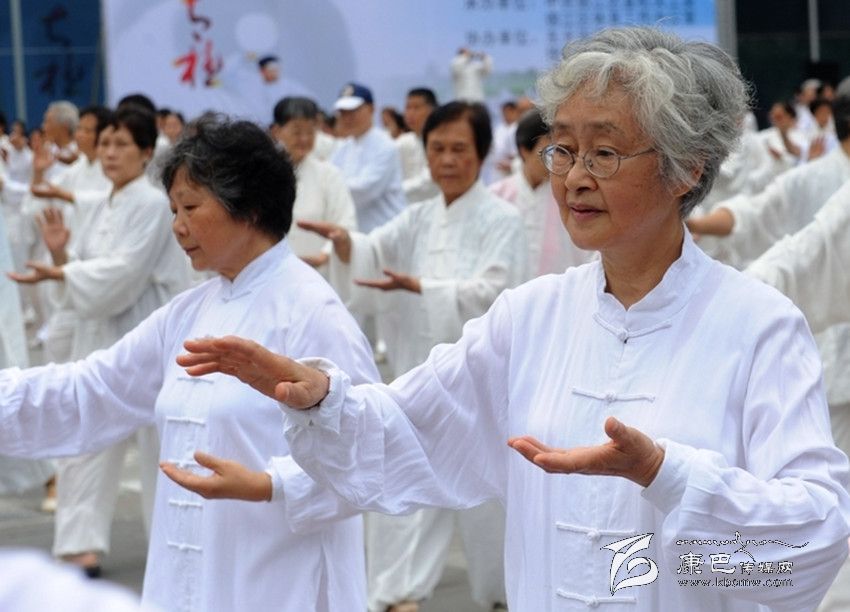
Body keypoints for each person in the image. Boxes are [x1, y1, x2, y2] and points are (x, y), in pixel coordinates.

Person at [172, 27, 850, 611]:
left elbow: (809, 551)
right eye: (563, 149)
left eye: (604, 152)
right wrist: (322, 398)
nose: (575, 176)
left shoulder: (757, 325)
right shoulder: (531, 318)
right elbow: (408, 435)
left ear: (685, 170)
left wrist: (667, 478)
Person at [0, 115, 378, 611]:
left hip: (279, 578)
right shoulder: (190, 311)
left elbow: (369, 453)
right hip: (187, 575)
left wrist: (270, 485)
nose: (177, 225)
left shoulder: (313, 312)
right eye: (174, 209)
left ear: (250, 207)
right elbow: (91, 391)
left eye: (191, 207)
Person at [298, 100, 523, 612]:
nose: (447, 160)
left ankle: (502, 595)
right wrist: (346, 245)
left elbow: (497, 294)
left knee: (488, 502)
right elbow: (373, 251)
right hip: (421, 380)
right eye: (437, 148)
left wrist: (422, 287)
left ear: (481, 154)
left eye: (459, 149)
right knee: (405, 487)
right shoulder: (418, 217)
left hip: (481, 388)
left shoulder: (502, 218)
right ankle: (398, 594)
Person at [9, 106, 189, 577]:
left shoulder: (153, 203)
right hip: (102, 333)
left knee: (162, 448)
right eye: (105, 143)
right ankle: (78, 544)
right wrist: (60, 255)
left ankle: (175, 550)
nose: (109, 152)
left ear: (146, 152)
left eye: (121, 144)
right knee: (86, 436)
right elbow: (87, 265)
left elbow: (123, 274)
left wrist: (64, 272)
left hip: (148, 335)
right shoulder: (104, 200)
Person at [490, 108, 595, 276]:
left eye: (561, 152)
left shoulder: (570, 197)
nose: (554, 160)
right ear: (524, 151)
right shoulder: (497, 196)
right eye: (550, 152)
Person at [271, 96, 357, 280]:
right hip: (270, 276)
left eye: (310, 132)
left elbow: (345, 224)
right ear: (277, 131)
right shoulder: (260, 175)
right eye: (297, 132)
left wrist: (325, 255)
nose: (304, 139)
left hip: (318, 276)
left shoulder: (329, 175)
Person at [331, 82, 406, 232]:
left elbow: (364, 190)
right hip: (359, 235)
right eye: (343, 112)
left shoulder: (385, 145)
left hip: (388, 231)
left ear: (371, 109)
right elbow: (328, 177)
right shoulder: (342, 148)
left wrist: (328, 188)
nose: (348, 118)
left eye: (353, 111)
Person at [398, 87, 439, 204]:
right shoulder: (403, 141)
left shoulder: (442, 141)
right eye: (408, 108)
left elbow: (430, 181)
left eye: (416, 108)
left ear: (432, 110)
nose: (410, 113)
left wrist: (396, 190)